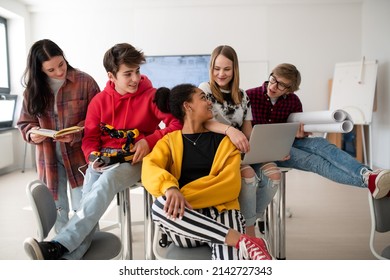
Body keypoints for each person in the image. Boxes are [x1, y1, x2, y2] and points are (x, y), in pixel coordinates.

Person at [23, 42, 182, 260]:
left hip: (136, 161)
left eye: (137, 71)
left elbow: (177, 125)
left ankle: (57, 244)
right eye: (128, 74)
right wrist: (92, 156)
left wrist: (150, 140)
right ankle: (64, 256)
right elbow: (90, 138)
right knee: (88, 203)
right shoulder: (99, 102)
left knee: (106, 183)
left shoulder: (152, 96)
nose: (135, 78)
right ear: (111, 76)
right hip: (104, 160)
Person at [142, 83, 273, 260]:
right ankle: (242, 240)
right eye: (203, 98)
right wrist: (171, 189)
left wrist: (182, 195)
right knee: (159, 206)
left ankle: (239, 241)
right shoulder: (169, 142)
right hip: (187, 223)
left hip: (222, 212)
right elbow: (149, 169)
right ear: (188, 106)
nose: (209, 102)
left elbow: (230, 186)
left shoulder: (225, 141)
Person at [247, 63, 390, 200]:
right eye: (273, 79)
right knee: (315, 162)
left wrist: (300, 133)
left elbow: (296, 129)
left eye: (281, 85)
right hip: (264, 151)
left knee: (321, 143)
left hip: (287, 143)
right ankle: (370, 181)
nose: (273, 86)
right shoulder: (249, 96)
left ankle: (367, 175)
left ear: (289, 89)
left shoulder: (293, 100)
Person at [17, 39, 100, 233]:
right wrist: (31, 133)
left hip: (79, 156)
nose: (59, 72)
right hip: (49, 159)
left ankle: (90, 252)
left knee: (85, 210)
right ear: (40, 70)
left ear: (64, 57)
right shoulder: (32, 91)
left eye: (61, 64)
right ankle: (62, 253)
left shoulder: (85, 82)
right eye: (51, 70)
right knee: (57, 211)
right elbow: (24, 123)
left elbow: (98, 119)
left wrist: (75, 134)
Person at [199, 45, 281, 237]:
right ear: (211, 68)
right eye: (216, 68)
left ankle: (246, 221)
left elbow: (248, 131)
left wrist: (271, 151)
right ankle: (250, 233)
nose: (221, 74)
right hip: (219, 152)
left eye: (226, 69)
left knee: (274, 174)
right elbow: (204, 122)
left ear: (234, 69)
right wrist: (229, 131)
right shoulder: (205, 89)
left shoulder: (243, 96)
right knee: (248, 176)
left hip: (241, 150)